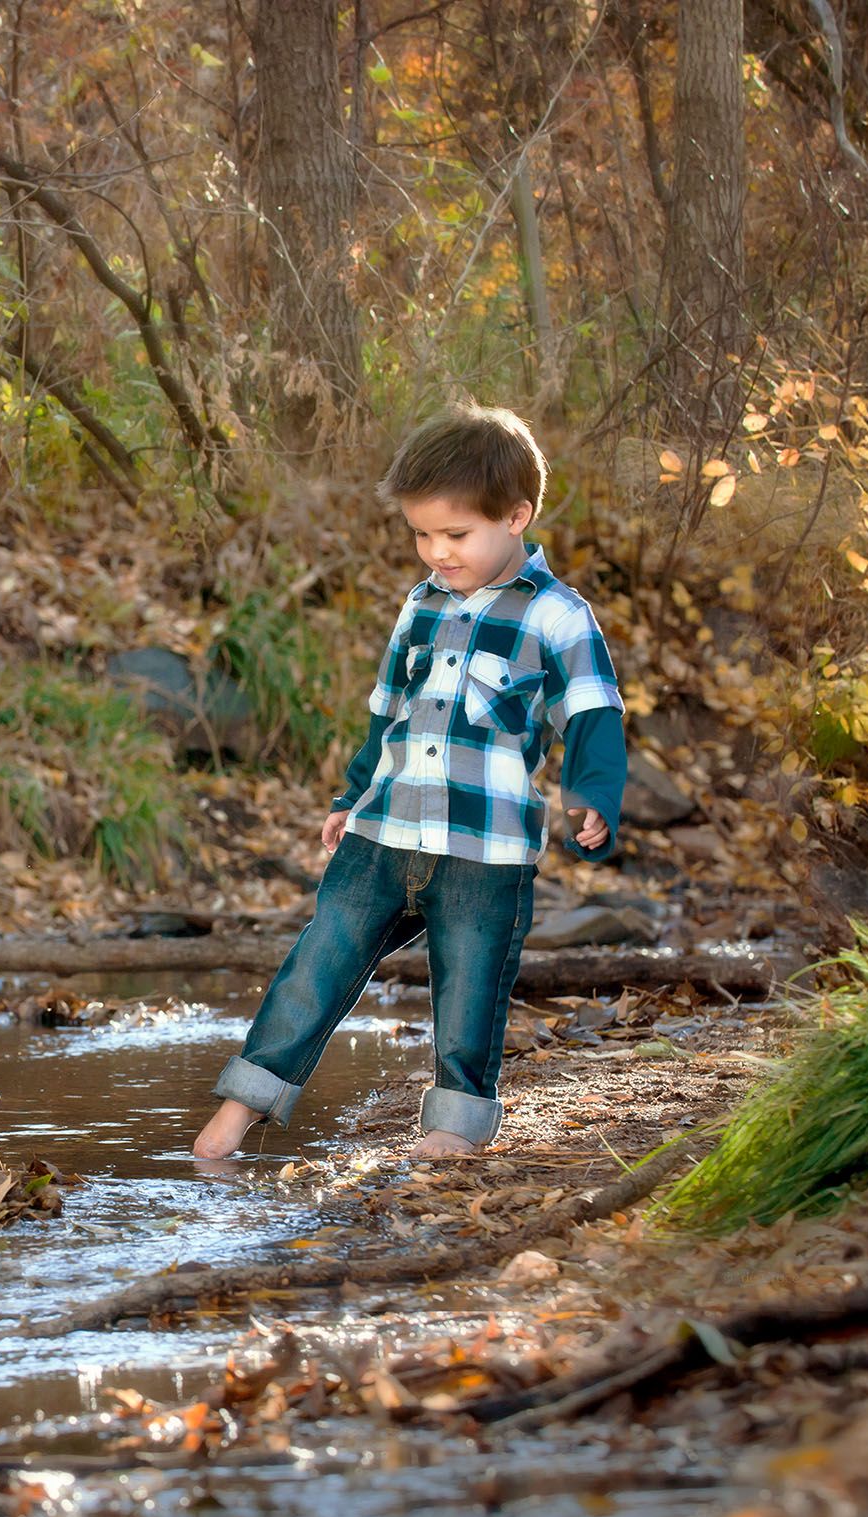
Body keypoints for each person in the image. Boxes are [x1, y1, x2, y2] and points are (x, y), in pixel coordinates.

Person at [193, 404, 628, 1163]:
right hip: (384, 831)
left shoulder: (557, 617)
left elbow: (592, 712)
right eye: (422, 534)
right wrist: (350, 795)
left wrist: (592, 796)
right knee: (320, 959)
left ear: (517, 515)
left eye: (455, 535)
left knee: (471, 984)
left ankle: (453, 1130)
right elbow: (387, 713)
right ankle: (242, 1106)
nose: (437, 551)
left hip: (484, 850)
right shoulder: (421, 603)